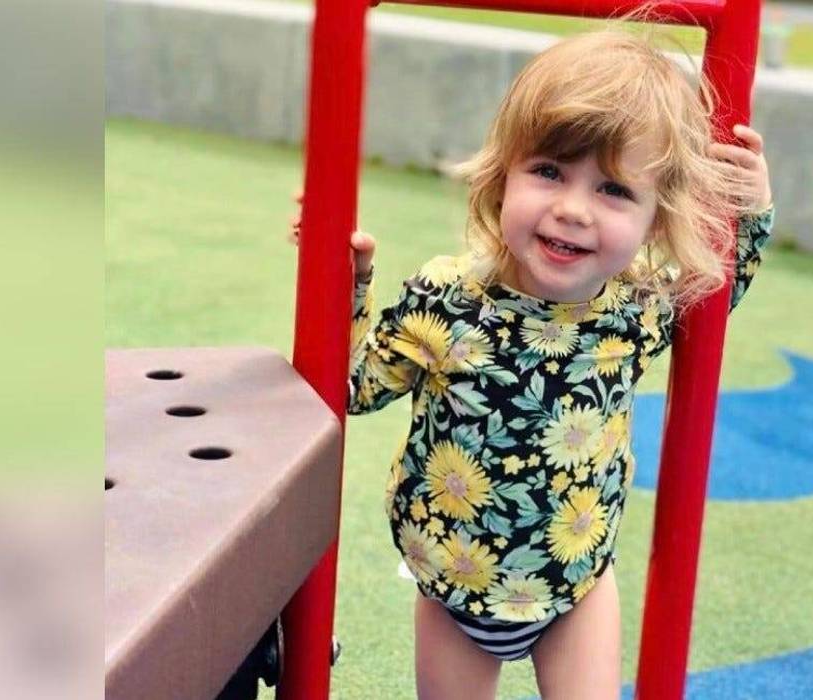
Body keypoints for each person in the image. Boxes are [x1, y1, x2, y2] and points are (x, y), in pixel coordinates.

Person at [292, 26, 773, 699]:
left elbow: (718, 294)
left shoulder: (633, 310)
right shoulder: (449, 299)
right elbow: (350, 387)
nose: (572, 209)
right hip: (455, 584)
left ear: (656, 219)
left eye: (613, 190)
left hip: (575, 586)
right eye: (547, 172)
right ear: (502, 177)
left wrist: (744, 212)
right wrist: (342, 283)